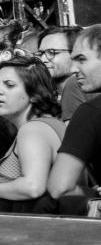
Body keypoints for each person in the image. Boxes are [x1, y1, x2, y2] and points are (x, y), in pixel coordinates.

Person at [0, 57, 66, 213]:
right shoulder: (50, 125)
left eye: (9, 85)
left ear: (34, 93)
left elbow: (33, 186)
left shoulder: (33, 130)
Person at [44, 26, 101, 212]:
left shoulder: (91, 113)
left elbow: (59, 187)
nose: (74, 68)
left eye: (82, 59)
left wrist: (93, 194)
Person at [36, 24, 95, 121]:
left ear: (75, 53)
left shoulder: (75, 85)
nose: (43, 59)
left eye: (52, 52)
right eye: (40, 53)